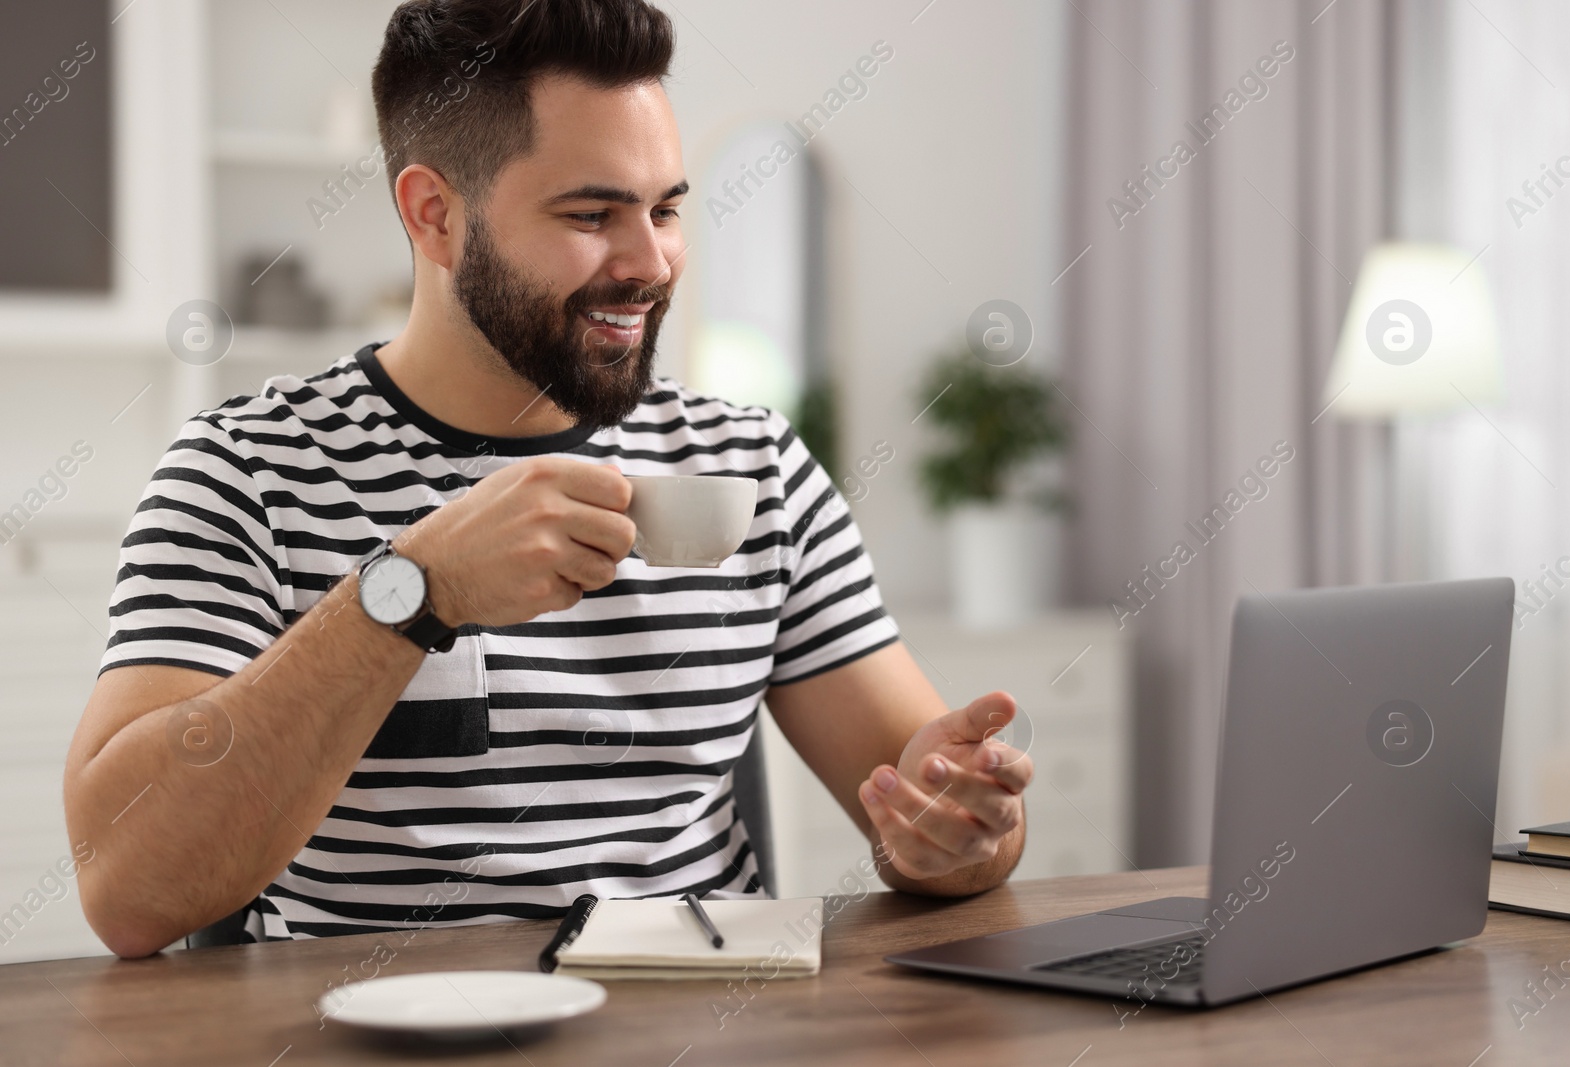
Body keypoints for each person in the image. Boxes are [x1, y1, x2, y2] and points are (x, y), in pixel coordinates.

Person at [63, 0, 1031, 958]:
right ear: (434, 214)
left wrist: (961, 832)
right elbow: (130, 891)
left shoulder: (753, 465)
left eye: (665, 209)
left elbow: (932, 818)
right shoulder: (248, 466)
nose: (650, 262)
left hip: (698, 1027)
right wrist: (411, 594)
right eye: (591, 214)